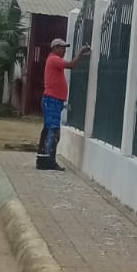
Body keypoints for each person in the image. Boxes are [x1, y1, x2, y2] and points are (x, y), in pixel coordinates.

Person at [37, 36, 90, 172]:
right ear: (55, 48)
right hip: (52, 101)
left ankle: (43, 159)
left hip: (53, 101)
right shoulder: (54, 59)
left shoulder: (53, 60)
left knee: (49, 130)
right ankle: (48, 160)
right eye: (62, 48)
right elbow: (71, 65)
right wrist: (81, 53)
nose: (64, 51)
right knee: (53, 131)